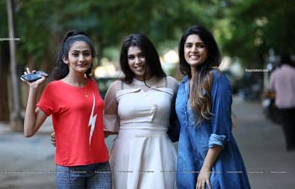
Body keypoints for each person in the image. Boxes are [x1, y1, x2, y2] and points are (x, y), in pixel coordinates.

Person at [21, 30, 111, 189]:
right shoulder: (54, 89)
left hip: (100, 165)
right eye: (75, 54)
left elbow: (91, 122)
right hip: (70, 168)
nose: (81, 59)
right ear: (65, 58)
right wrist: (34, 90)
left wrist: (67, 133)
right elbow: (29, 130)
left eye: (86, 54)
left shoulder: (93, 84)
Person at [175, 25, 251, 189]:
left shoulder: (216, 80)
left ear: (208, 50)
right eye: (189, 46)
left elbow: (221, 131)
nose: (193, 50)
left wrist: (206, 168)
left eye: (200, 45)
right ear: (183, 51)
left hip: (216, 165)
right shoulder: (182, 85)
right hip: (187, 164)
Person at [104, 33, 179, 189]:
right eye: (131, 57)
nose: (137, 61)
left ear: (150, 55)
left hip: (160, 152)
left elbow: (183, 119)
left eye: (141, 55)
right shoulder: (117, 87)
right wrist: (68, 135)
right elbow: (103, 127)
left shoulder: (170, 84)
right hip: (126, 154)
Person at [269, 54, 295, 151]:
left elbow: (271, 88)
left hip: (282, 103)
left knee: (286, 124)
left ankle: (290, 144)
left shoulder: (276, 73)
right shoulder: (293, 72)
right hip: (294, 102)